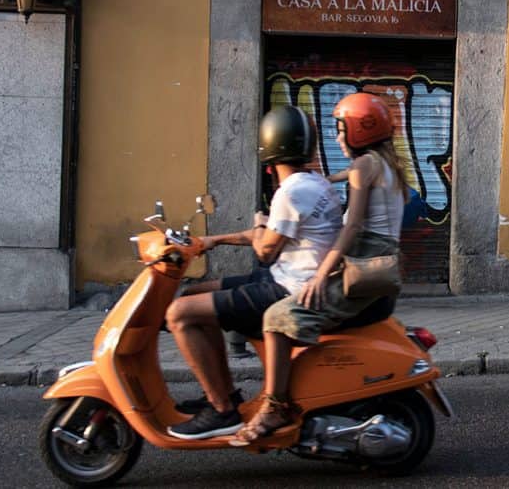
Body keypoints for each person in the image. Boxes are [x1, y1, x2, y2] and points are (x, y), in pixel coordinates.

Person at [230, 91, 407, 445]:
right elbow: (346, 177)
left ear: (360, 130)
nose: (337, 137)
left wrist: (321, 273)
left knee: (277, 317)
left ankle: (275, 405)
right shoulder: (384, 165)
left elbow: (353, 226)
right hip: (377, 263)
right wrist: (323, 181)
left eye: (342, 130)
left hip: (362, 263)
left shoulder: (365, 166)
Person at [164, 105, 343, 440]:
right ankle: (221, 392)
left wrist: (259, 227)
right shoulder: (311, 183)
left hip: (291, 290)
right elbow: (269, 234)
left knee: (180, 313)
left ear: (268, 146)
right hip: (285, 277)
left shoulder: (292, 191)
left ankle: (221, 410)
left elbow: (264, 248)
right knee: (192, 294)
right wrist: (211, 241)